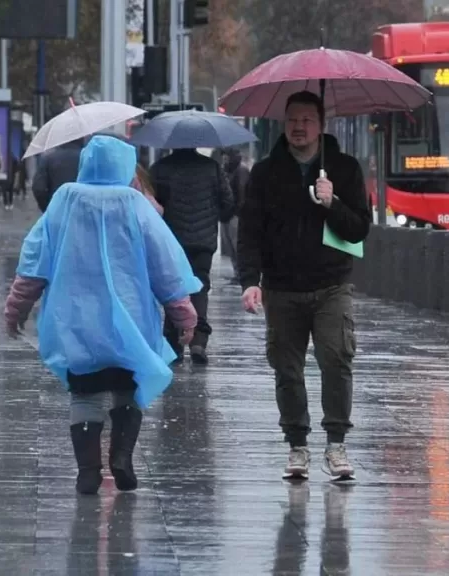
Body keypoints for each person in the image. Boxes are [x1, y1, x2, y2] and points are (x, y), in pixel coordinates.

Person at [4, 135, 202, 496]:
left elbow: (34, 262)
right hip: (129, 320)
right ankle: (122, 456)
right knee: (126, 390)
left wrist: (16, 309)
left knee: (84, 394)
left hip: (76, 322)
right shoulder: (135, 204)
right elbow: (165, 266)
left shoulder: (65, 201)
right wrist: (185, 315)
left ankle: (88, 470)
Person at [237, 90, 371, 481]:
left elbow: (360, 227)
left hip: (331, 284)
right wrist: (251, 281)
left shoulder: (344, 169)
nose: (299, 128)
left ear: (321, 126)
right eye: (293, 120)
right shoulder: (265, 173)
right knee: (287, 369)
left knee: (336, 360)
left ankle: (336, 444)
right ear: (284, 124)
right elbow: (250, 233)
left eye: (307, 120)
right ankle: (297, 444)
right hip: (281, 288)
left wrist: (333, 204)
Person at [150, 146, 236, 365]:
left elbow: (151, 205)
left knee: (173, 288)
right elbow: (227, 204)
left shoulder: (160, 168)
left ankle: (173, 343)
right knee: (200, 288)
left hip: (171, 241)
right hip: (203, 243)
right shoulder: (212, 168)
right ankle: (198, 340)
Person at [219, 147, 250, 278]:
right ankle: (237, 272)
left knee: (236, 245)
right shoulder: (226, 170)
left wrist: (237, 212)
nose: (224, 158)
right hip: (227, 214)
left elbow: (242, 193)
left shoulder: (241, 170)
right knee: (230, 247)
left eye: (225, 156)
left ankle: (242, 272)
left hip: (235, 215)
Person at [32, 139, 82, 212]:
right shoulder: (88, 158)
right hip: (81, 212)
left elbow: (39, 188)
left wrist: (47, 208)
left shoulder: (48, 158)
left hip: (56, 210)